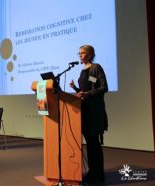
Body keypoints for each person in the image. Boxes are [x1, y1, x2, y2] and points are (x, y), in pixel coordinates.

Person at [69, 45, 108, 184]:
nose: (80, 55)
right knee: (90, 144)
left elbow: (103, 87)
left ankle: (98, 176)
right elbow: (85, 91)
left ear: (90, 55)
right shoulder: (82, 71)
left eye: (83, 53)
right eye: (79, 53)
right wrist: (75, 88)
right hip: (85, 111)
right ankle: (92, 173)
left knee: (94, 144)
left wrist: (87, 94)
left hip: (94, 111)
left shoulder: (96, 67)